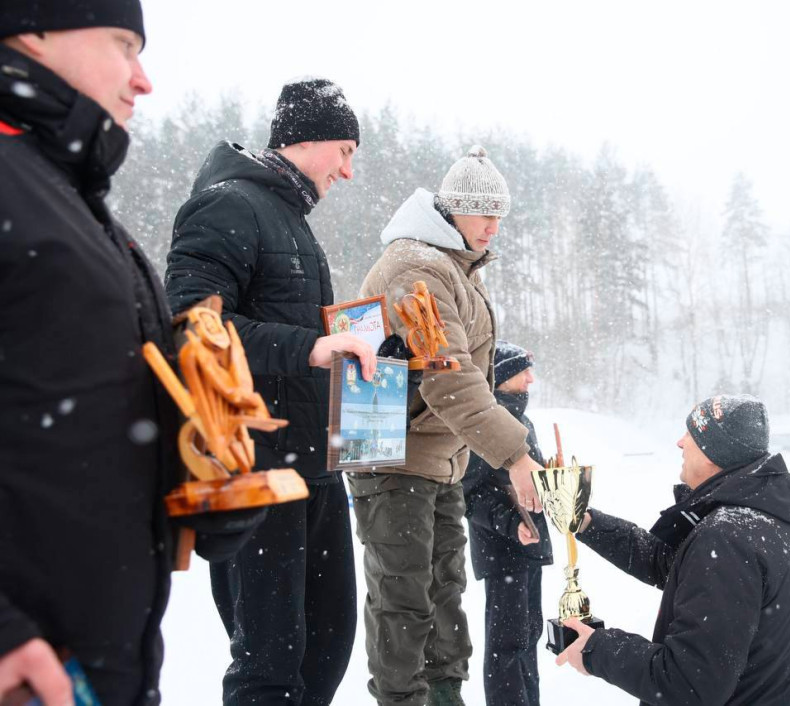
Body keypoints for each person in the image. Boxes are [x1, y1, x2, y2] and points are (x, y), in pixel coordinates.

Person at [0, 2, 262, 704]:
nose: (143, 80)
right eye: (123, 44)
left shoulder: (81, 210)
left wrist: (199, 485)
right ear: (34, 29)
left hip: (100, 660)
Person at [164, 78, 376, 706]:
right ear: (305, 139)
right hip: (254, 470)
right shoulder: (228, 205)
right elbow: (191, 327)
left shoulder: (292, 221)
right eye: (344, 151)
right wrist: (310, 346)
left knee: (327, 648)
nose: (348, 171)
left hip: (316, 468)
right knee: (269, 666)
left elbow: (293, 333)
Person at [354, 145, 544, 706]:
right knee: (405, 602)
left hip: (438, 461)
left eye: (500, 215)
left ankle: (443, 697)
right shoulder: (418, 269)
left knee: (443, 600)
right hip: (394, 461)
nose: (493, 226)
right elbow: (450, 379)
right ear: (453, 208)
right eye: (484, 212)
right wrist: (515, 454)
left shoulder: (452, 266)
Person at [552, 395, 790, 705]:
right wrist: (587, 523)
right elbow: (673, 566)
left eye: (691, 435)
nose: (680, 443)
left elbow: (688, 683)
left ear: (715, 452)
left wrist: (598, 649)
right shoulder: (761, 519)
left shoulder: (726, 540)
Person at [462, 342, 552, 706]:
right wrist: (511, 524)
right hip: (503, 554)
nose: (531, 379)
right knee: (508, 647)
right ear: (500, 378)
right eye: (522, 371)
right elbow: (470, 494)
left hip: (531, 549)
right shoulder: (485, 424)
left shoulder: (523, 421)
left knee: (529, 639)